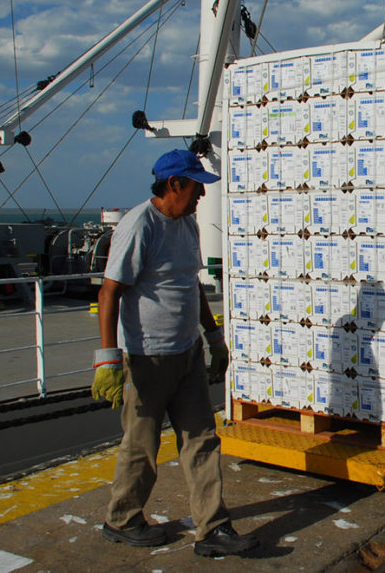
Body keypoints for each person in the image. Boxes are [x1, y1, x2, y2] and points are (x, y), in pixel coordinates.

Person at [91, 149, 257, 557]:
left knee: (202, 440)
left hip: (187, 353)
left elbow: (190, 283)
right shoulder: (139, 225)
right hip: (147, 358)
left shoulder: (187, 225)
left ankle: (213, 529)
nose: (202, 195)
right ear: (174, 184)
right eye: (196, 186)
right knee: (141, 446)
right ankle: (122, 519)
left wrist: (214, 338)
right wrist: (108, 359)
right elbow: (109, 291)